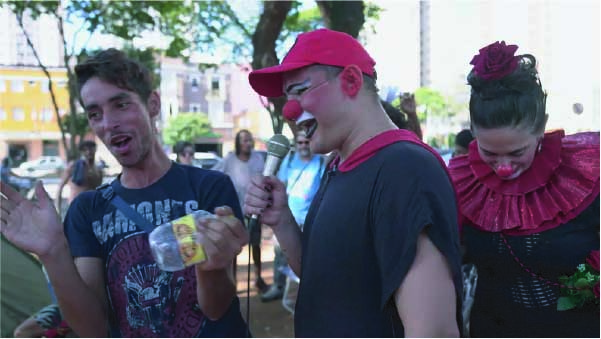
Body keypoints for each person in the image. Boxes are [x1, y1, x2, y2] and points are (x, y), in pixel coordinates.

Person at [0, 48, 249, 337]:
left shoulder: (209, 187)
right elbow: (94, 330)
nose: (108, 123)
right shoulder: (88, 210)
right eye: (95, 113)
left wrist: (212, 267)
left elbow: (216, 308)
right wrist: (52, 253)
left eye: (121, 104)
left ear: (153, 104)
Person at [245, 28, 462, 337]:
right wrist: (282, 221)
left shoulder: (405, 169)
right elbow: (321, 276)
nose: (290, 111)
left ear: (350, 81)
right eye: (286, 97)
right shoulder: (338, 165)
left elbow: (433, 331)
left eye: (299, 90)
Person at [448, 41, 599, 337]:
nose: (503, 167)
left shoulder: (587, 171)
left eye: (517, 153)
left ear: (541, 129)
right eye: (489, 154)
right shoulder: (461, 183)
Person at [261, 130, 326, 303]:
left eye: (306, 142)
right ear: (295, 145)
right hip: (287, 216)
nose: (303, 146)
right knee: (280, 254)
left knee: (307, 257)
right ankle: (278, 287)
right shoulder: (289, 160)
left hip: (310, 220)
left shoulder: (320, 162)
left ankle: (306, 292)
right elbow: (280, 185)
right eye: (300, 143)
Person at [212, 129, 268, 291]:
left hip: (254, 209)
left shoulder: (258, 158)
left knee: (255, 245)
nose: (248, 143)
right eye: (244, 140)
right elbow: (214, 173)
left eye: (250, 140)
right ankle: (233, 282)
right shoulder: (229, 159)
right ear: (237, 142)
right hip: (233, 210)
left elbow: (265, 179)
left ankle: (258, 278)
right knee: (233, 247)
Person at [56, 140, 104, 214]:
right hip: (76, 208)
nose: (88, 152)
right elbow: (60, 187)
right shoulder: (74, 166)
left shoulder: (98, 170)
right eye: (85, 150)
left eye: (91, 149)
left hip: (92, 209)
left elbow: (98, 191)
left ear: (95, 150)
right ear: (81, 152)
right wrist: (58, 211)